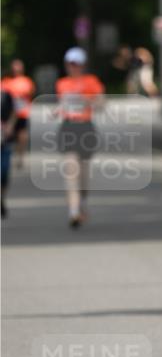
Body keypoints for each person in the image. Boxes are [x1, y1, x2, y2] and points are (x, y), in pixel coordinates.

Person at [55, 47, 105, 228]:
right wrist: (57, 110)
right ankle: (73, 211)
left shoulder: (91, 82)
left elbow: (101, 103)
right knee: (70, 171)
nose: (72, 67)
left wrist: (88, 101)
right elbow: (62, 104)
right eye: (70, 63)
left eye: (76, 64)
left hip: (85, 128)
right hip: (68, 127)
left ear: (82, 65)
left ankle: (82, 201)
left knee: (83, 175)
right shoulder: (62, 84)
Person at [1, 58, 36, 169]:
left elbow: (31, 94)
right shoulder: (6, 81)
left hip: (23, 113)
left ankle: (20, 156)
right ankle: (8, 157)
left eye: (19, 66)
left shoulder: (27, 81)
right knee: (9, 137)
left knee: (22, 136)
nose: (17, 68)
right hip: (10, 115)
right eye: (15, 66)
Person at [1, 89, 16, 218]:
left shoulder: (6, 95)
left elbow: (13, 113)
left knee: (4, 172)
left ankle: (2, 199)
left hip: (4, 140)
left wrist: (10, 126)